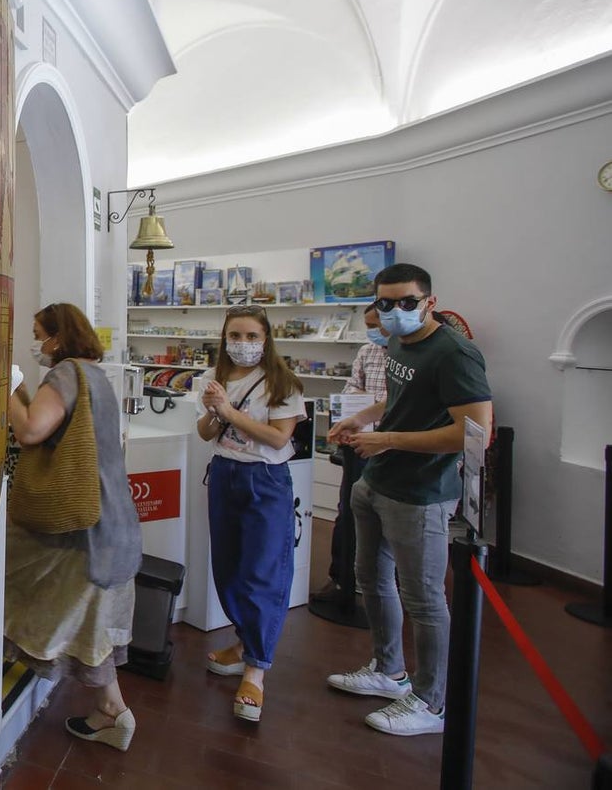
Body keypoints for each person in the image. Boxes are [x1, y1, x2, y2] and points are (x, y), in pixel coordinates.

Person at [326, 263, 492, 737]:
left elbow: (473, 432)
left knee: (423, 598)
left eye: (406, 303)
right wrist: (364, 420)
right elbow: (399, 398)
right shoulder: (398, 341)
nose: (395, 312)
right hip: (378, 481)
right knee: (372, 579)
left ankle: (431, 700)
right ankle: (389, 670)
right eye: (385, 303)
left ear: (429, 302)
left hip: (421, 494)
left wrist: (390, 440)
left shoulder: (455, 354)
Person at [4, 302, 143, 751]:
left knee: (23, 590)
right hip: (113, 522)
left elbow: (29, 431)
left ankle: (114, 712)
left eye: (38, 333)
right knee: (94, 626)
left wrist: (5, 385)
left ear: (58, 338)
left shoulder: (65, 375)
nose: (36, 344)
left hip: (84, 528)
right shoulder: (97, 376)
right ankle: (112, 711)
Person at [195, 305, 306, 723]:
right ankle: (243, 641)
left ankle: (256, 670)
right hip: (225, 473)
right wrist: (211, 411)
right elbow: (206, 433)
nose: (242, 344)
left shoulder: (283, 383)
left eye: (251, 336)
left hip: (265, 480)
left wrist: (228, 411)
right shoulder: (213, 379)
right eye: (235, 336)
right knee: (227, 568)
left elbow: (279, 439)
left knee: (264, 570)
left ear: (266, 338)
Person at [311, 303, 389, 603]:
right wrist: (347, 416)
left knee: (385, 519)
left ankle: (380, 584)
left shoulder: (410, 356)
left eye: (377, 324)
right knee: (348, 512)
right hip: (359, 444)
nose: (373, 331)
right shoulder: (367, 352)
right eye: (368, 324)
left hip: (391, 447)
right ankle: (341, 578)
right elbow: (351, 387)